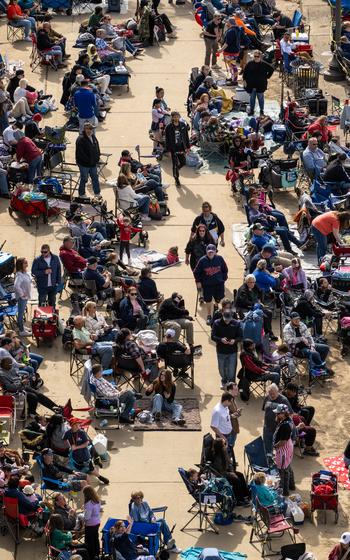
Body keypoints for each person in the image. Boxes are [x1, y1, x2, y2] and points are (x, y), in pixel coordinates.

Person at [63, 418, 109, 485]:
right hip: (75, 457)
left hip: (85, 456)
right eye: (75, 425)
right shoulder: (68, 433)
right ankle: (84, 477)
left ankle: (100, 477)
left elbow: (86, 443)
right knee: (78, 469)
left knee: (91, 469)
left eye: (78, 424)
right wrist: (69, 446)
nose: (77, 426)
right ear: (71, 425)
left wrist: (76, 447)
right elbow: (64, 440)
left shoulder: (81, 432)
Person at [207, 437, 250, 505]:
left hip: (227, 471)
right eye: (224, 444)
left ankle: (246, 495)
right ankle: (239, 500)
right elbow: (221, 472)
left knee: (240, 475)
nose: (226, 445)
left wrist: (232, 471)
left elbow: (229, 464)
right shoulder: (217, 458)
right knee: (236, 480)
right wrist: (231, 474)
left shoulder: (224, 453)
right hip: (222, 476)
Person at [194, 244, 228, 325]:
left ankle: (216, 307)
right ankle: (209, 315)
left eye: (212, 252)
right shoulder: (202, 260)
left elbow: (225, 269)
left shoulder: (220, 259)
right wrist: (198, 281)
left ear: (215, 251)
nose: (211, 253)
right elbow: (196, 272)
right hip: (207, 285)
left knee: (219, 298)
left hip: (218, 283)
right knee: (208, 300)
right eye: (209, 252)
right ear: (206, 252)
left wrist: (223, 278)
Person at [235, 273, 275, 338]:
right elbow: (244, 302)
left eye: (253, 282)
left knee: (268, 313)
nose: (252, 284)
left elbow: (260, 292)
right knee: (255, 317)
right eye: (250, 282)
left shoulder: (254, 286)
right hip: (245, 308)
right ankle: (253, 335)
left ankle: (269, 333)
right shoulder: (243, 290)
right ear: (246, 282)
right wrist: (254, 304)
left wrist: (264, 298)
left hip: (255, 307)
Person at [211, 308, 241, 387]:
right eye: (225, 320)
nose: (227, 321)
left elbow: (240, 337)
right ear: (222, 316)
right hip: (221, 350)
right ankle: (224, 380)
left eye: (228, 320)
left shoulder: (236, 323)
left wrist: (234, 341)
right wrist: (220, 339)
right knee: (221, 370)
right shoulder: (216, 323)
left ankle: (231, 384)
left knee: (231, 370)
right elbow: (213, 336)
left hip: (232, 351)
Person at [262, 383, 292, 454]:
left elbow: (290, 414)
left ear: (277, 391)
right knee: (266, 447)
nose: (272, 396)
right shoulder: (267, 398)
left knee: (279, 448)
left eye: (273, 394)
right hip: (267, 427)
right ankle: (269, 461)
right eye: (270, 393)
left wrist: (285, 426)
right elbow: (264, 410)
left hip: (278, 429)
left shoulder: (283, 400)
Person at [273, 404, 295, 496]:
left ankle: (284, 492)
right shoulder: (287, 420)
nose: (276, 415)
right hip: (288, 447)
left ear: (283, 413)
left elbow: (282, 441)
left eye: (278, 413)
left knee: (283, 471)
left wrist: (275, 447)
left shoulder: (285, 426)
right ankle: (291, 485)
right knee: (288, 467)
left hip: (283, 450)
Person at [243, 50, 274, 116]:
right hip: (251, 85)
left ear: (260, 57)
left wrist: (267, 77)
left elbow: (272, 69)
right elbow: (245, 72)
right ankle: (252, 110)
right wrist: (244, 80)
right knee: (252, 99)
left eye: (257, 56)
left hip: (260, 85)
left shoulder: (264, 64)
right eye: (255, 56)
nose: (256, 57)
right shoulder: (250, 63)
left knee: (260, 98)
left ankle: (261, 111)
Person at [164, 111, 190, 187]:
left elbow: (186, 137)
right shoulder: (168, 127)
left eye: (177, 116)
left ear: (179, 116)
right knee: (175, 164)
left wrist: (187, 147)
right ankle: (176, 179)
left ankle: (176, 170)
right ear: (172, 117)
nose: (176, 118)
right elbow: (167, 139)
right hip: (173, 149)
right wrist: (168, 150)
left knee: (183, 162)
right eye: (174, 116)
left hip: (181, 147)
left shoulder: (182, 125)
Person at [218, 18, 247, 85]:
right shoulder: (238, 29)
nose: (226, 23)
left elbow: (227, 43)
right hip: (235, 51)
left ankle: (234, 81)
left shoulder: (231, 31)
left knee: (233, 66)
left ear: (230, 23)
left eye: (227, 22)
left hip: (230, 52)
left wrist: (220, 50)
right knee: (231, 66)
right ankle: (232, 77)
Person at [75, 122, 101, 197]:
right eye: (88, 128)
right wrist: (89, 161)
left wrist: (97, 157)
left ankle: (97, 193)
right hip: (84, 164)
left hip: (93, 163)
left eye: (91, 128)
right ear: (84, 129)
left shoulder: (93, 136)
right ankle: (81, 193)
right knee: (84, 179)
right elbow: (81, 154)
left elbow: (97, 147)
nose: (89, 130)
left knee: (95, 178)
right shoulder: (80, 139)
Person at [14, 257, 32, 336]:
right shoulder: (19, 275)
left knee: (22, 313)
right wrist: (22, 294)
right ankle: (21, 331)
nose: (27, 263)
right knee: (20, 315)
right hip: (22, 298)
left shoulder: (24, 272)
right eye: (25, 262)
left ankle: (22, 327)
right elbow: (16, 286)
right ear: (21, 265)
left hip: (25, 297)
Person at [83, 486, 101, 560]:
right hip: (97, 522)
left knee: (89, 541)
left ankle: (91, 556)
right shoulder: (97, 500)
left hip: (90, 525)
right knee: (95, 538)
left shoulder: (88, 504)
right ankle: (97, 553)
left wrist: (82, 515)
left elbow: (87, 517)